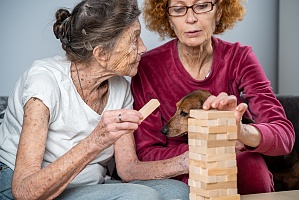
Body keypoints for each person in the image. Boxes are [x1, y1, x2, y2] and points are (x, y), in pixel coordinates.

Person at [0, 0, 190, 199]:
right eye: (134, 39)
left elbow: (127, 168)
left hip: (85, 185)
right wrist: (96, 141)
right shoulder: (44, 83)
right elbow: (24, 191)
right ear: (102, 54)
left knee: (177, 192)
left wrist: (183, 162)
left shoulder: (120, 87)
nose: (143, 48)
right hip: (27, 187)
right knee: (140, 197)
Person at [131, 0, 295, 195]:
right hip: (179, 170)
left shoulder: (239, 57)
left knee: (250, 166)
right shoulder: (148, 67)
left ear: (219, 11)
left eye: (201, 6)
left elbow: (284, 136)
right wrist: (208, 151)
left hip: (237, 164)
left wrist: (241, 132)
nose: (191, 18)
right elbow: (146, 153)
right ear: (167, 17)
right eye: (178, 9)